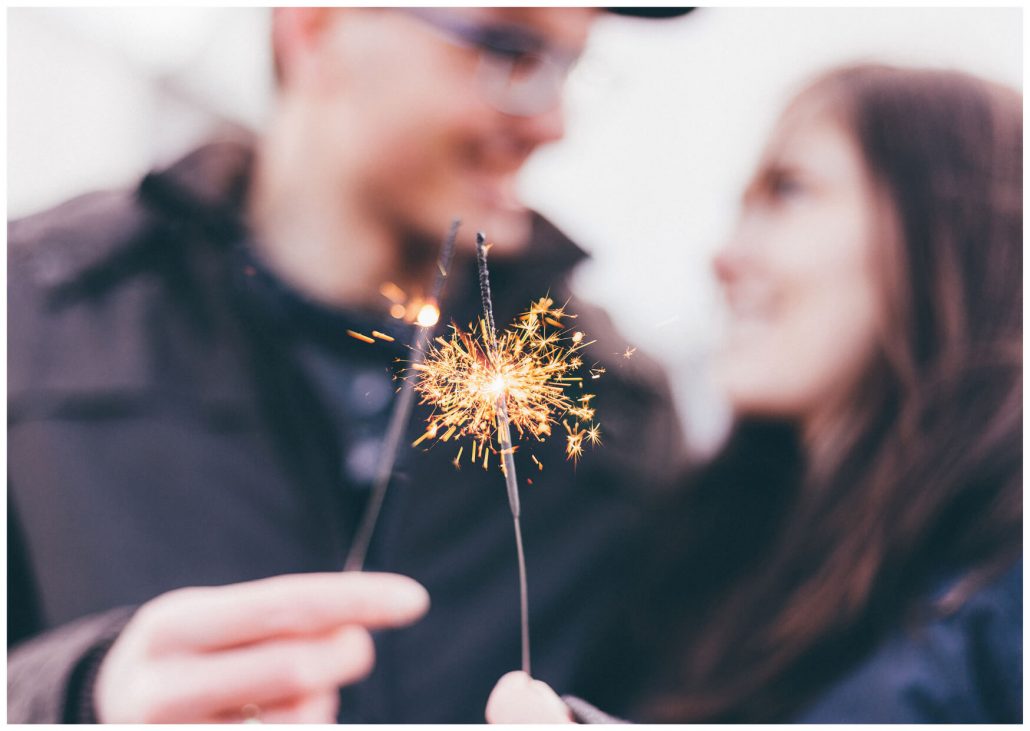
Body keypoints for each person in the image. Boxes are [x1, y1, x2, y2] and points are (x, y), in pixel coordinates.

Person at [7, 8, 692, 723]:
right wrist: (78, 698)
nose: (554, 122)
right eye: (510, 51)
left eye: (570, 66)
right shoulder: (27, 316)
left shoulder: (619, 415)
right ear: (316, 28)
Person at [486, 63, 1022, 723]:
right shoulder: (701, 554)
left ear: (952, 227)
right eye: (742, 206)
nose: (725, 257)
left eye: (789, 192)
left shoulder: (1004, 590)